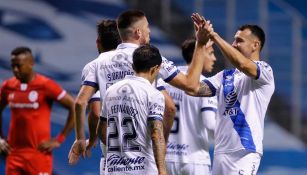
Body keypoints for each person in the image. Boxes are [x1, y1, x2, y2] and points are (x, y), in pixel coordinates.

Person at [68, 10, 211, 164]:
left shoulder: (96, 64)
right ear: (138, 32)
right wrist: (201, 44)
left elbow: (80, 102)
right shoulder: (151, 59)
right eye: (147, 27)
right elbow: (188, 87)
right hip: (143, 155)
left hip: (112, 156)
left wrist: (80, 138)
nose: (149, 31)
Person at [186, 20, 275, 175]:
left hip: (245, 152)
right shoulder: (225, 76)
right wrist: (200, 44)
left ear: (255, 45)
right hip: (221, 152)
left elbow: (243, 64)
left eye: (239, 40)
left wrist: (213, 36)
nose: (234, 44)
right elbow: (193, 88)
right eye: (234, 40)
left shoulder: (265, 71)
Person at [0, 47, 75, 175]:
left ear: (31, 63)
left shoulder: (45, 85)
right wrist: (0, 139)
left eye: (19, 66)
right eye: (13, 66)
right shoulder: (8, 86)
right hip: (13, 155)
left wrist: (59, 139)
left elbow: (74, 107)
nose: (15, 70)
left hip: (39, 155)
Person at [99, 44, 166, 175]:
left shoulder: (110, 91)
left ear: (133, 66)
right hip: (142, 170)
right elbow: (156, 134)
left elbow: (101, 131)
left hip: (113, 170)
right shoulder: (154, 94)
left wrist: (118, 153)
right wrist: (162, 171)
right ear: (155, 69)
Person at [157, 38, 217, 175]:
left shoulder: (166, 81)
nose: (214, 58)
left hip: (166, 157)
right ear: (200, 53)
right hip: (195, 160)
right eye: (211, 53)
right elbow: (210, 124)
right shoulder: (205, 84)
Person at [83, 19, 122, 174]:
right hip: (142, 153)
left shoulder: (97, 67)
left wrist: (91, 138)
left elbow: (94, 112)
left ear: (98, 42)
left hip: (112, 152)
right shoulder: (137, 62)